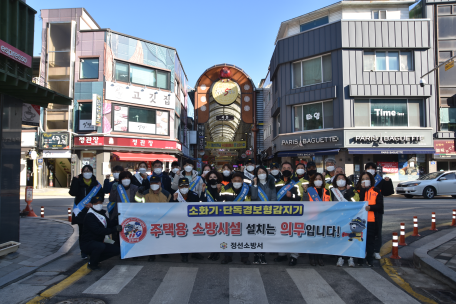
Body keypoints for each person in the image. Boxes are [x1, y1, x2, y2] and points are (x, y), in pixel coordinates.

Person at [69, 165, 104, 259]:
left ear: (92, 172)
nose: (87, 173)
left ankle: (93, 250)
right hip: (81, 212)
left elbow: (101, 196)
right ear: (82, 172)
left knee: (94, 232)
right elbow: (73, 192)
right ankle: (83, 251)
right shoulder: (78, 182)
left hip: (93, 211)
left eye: (89, 171)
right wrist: (75, 180)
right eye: (85, 171)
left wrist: (93, 204)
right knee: (83, 233)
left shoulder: (96, 184)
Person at [274, 162, 304, 266]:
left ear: (292, 170)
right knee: (280, 233)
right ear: (281, 170)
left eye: (288, 168)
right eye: (284, 168)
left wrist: (292, 196)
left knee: (293, 234)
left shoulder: (297, 182)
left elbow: (300, 197)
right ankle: (281, 254)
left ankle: (293, 256)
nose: (286, 169)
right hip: (280, 212)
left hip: (293, 212)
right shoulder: (276, 182)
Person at [326, 174, 360, 268]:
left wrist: (349, 191)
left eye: (343, 178)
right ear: (335, 181)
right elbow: (329, 203)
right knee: (340, 238)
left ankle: (350, 258)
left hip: (350, 217)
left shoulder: (352, 190)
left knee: (350, 237)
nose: (341, 180)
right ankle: (340, 257)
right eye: (338, 179)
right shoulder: (332, 191)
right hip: (337, 217)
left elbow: (356, 201)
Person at [136, 175, 171, 262]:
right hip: (149, 219)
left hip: (163, 219)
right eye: (152, 183)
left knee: (162, 237)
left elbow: (171, 207)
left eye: (156, 183)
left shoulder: (167, 194)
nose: (154, 184)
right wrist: (139, 193)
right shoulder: (145, 193)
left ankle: (163, 252)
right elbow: (138, 202)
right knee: (151, 238)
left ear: (160, 183)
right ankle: (151, 255)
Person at [80, 196, 121, 270]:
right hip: (88, 243)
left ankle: (96, 259)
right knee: (100, 246)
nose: (99, 204)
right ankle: (92, 264)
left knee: (117, 250)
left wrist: (115, 219)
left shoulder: (102, 213)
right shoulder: (89, 216)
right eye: (96, 203)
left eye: (100, 203)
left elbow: (109, 224)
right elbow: (98, 230)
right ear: (92, 204)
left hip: (99, 242)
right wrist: (114, 230)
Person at [170, 177, 205, 262]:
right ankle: (184, 255)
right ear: (178, 187)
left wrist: (203, 192)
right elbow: (170, 209)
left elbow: (200, 206)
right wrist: (174, 200)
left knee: (194, 237)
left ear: (189, 186)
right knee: (184, 237)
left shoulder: (194, 195)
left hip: (192, 220)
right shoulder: (175, 195)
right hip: (180, 221)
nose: (184, 188)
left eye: (186, 186)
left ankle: (195, 253)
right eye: (182, 186)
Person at [220, 172, 251, 265]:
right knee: (228, 237)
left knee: (244, 237)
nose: (237, 182)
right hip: (229, 217)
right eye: (235, 180)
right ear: (232, 181)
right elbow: (221, 202)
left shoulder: (247, 190)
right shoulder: (225, 188)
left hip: (244, 217)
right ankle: (227, 256)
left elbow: (250, 203)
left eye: (239, 181)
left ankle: (244, 257)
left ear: (242, 182)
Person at [356, 171, 384, 267]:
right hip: (359, 221)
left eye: (367, 178)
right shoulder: (358, 191)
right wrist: (363, 189)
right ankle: (360, 259)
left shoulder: (376, 191)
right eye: (363, 179)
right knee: (359, 240)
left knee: (370, 241)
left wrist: (371, 208)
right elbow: (360, 201)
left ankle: (370, 259)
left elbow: (380, 206)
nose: (365, 180)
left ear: (371, 180)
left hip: (371, 220)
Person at [250, 165, 277, 265]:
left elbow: (274, 198)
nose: (262, 174)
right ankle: (256, 254)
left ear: (266, 173)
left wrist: (270, 211)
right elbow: (253, 197)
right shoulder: (254, 183)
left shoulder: (271, 183)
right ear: (256, 175)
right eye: (259, 172)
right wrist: (255, 184)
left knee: (265, 234)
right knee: (256, 234)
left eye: (263, 172)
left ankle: (263, 255)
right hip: (256, 213)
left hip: (268, 213)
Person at [302, 173, 330, 266]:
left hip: (323, 219)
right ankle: (312, 258)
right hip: (312, 218)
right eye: (316, 179)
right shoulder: (310, 190)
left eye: (320, 178)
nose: (318, 180)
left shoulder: (326, 191)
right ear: (313, 180)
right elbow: (305, 202)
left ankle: (320, 258)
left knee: (320, 239)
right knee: (312, 239)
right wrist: (305, 192)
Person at [365, 162, 391, 260]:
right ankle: (367, 250)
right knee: (366, 232)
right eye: (368, 168)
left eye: (372, 168)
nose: (370, 170)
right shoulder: (363, 181)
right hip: (365, 211)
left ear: (375, 170)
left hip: (377, 211)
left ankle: (376, 251)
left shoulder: (380, 180)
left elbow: (387, 192)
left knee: (377, 232)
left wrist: (388, 182)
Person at [202, 170, 222, 261]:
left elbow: (223, 201)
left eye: (214, 177)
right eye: (210, 177)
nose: (212, 179)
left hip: (220, 214)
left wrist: (218, 191)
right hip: (209, 215)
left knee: (218, 234)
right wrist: (202, 191)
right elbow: (201, 201)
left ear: (218, 178)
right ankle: (212, 251)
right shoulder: (206, 187)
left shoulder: (222, 187)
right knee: (211, 234)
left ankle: (217, 252)